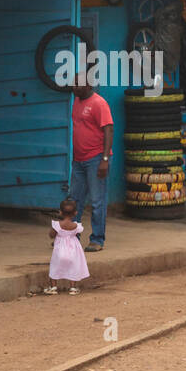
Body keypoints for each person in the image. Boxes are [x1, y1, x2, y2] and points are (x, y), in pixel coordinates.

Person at [70, 71, 114, 252]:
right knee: (74, 200)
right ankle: (71, 237)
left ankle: (97, 239)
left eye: (77, 85)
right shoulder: (77, 102)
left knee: (97, 201)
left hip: (95, 159)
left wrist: (104, 159)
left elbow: (109, 131)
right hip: (79, 160)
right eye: (73, 84)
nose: (74, 88)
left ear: (88, 85)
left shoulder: (99, 103)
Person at [45, 197, 90, 295]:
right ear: (75, 213)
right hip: (73, 251)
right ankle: (73, 288)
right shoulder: (76, 226)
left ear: (60, 212)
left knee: (55, 267)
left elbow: (51, 235)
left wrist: (57, 232)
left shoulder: (57, 225)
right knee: (72, 267)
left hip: (59, 251)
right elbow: (78, 233)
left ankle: (53, 287)